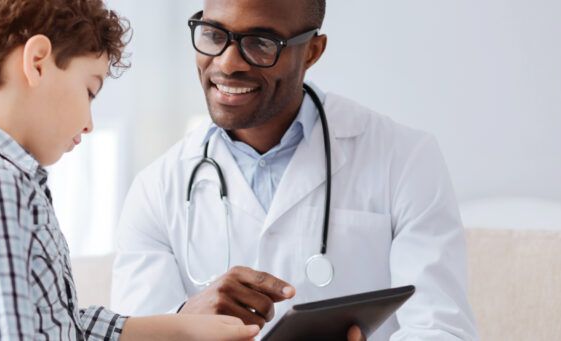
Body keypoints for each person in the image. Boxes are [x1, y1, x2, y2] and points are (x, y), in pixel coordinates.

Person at [109, 0, 478, 340]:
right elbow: (132, 331)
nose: (227, 62)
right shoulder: (157, 188)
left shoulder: (406, 159)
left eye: (261, 43)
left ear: (312, 52)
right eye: (213, 34)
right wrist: (185, 318)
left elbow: (441, 328)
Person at [0, 0, 261, 339]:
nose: (88, 124)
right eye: (89, 90)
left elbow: (60, 324)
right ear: (37, 61)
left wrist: (184, 330)